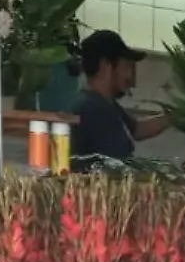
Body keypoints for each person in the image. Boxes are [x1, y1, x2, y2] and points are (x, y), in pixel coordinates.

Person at [70, 30, 170, 163]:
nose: (130, 79)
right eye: (126, 66)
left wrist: (175, 117)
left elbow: (137, 129)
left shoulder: (103, 103)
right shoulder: (96, 109)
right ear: (105, 66)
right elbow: (119, 166)